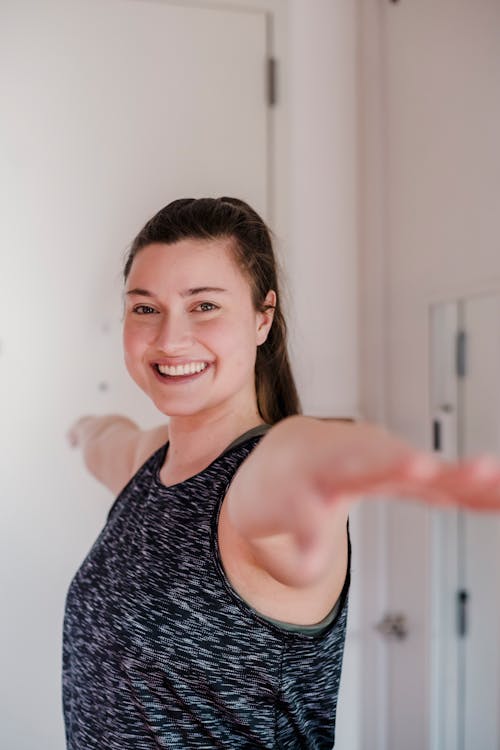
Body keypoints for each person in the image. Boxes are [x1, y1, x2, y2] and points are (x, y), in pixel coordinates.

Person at [64, 197, 500, 750]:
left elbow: (300, 455)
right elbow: (104, 437)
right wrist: (79, 428)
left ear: (263, 317)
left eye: (204, 306)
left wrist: (383, 462)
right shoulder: (149, 461)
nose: (170, 339)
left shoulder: (255, 485)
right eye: (145, 308)